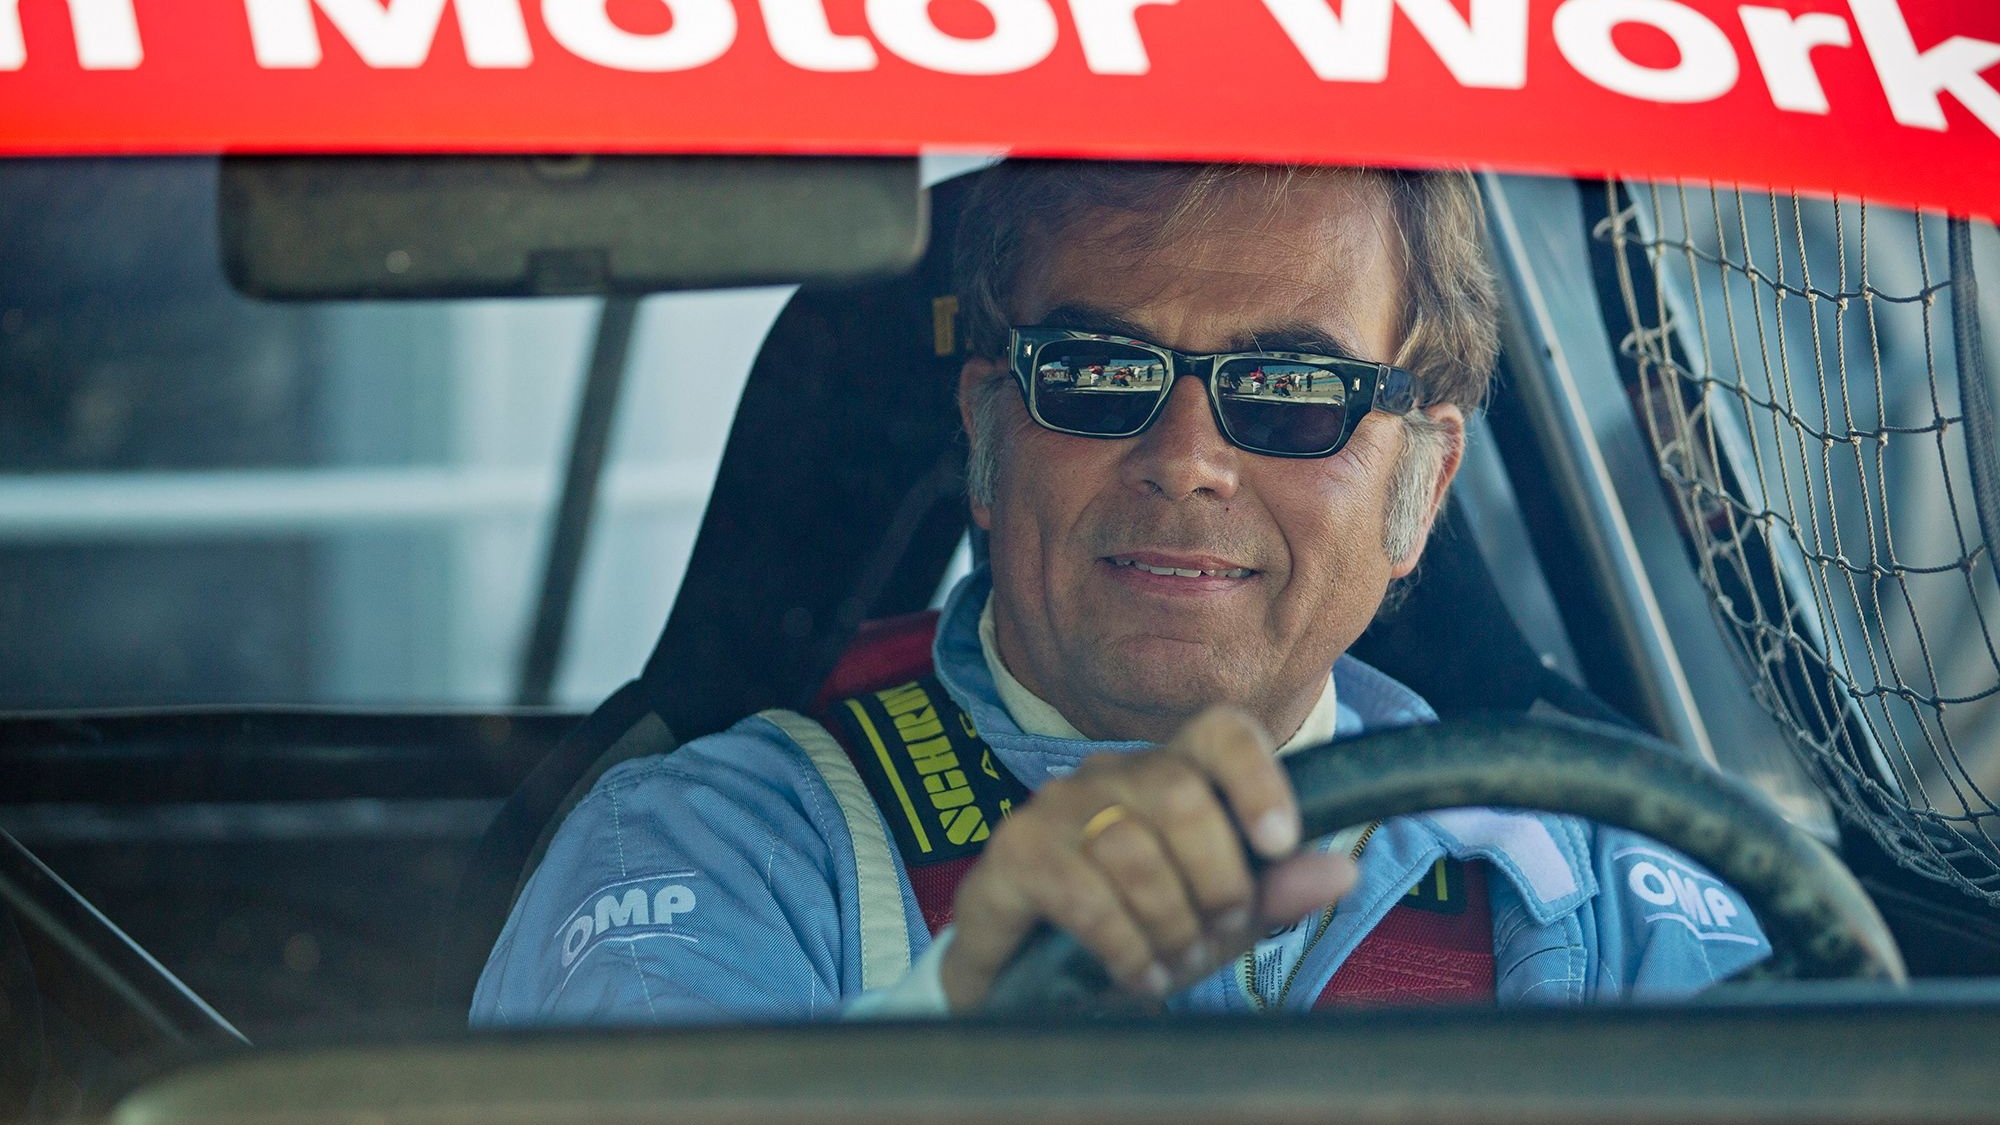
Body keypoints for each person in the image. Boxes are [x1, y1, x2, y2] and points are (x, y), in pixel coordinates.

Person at [469, 162, 1767, 1025]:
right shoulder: (708, 851)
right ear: (987, 436)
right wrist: (952, 1023)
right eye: (1097, 372)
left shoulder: (1603, 886)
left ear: (1421, 488)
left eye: (1291, 391)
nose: (1186, 459)